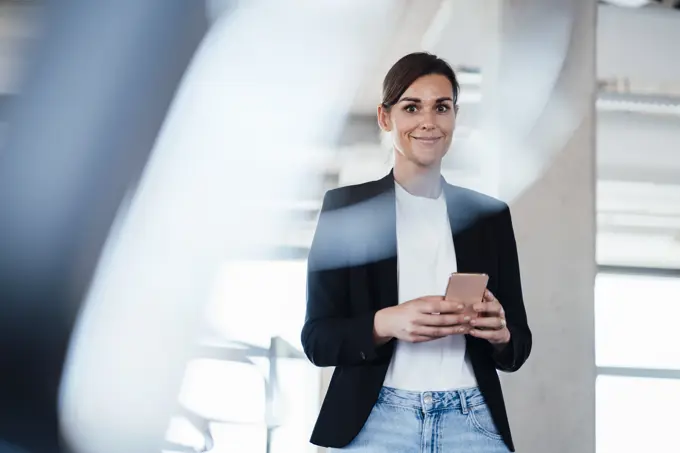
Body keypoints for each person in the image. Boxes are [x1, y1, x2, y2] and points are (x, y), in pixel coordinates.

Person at [301, 52, 531, 453]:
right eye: (412, 107)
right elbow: (317, 339)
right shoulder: (346, 211)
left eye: (441, 107)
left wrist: (501, 334)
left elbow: (518, 347)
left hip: (471, 419)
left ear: (454, 117)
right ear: (385, 118)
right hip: (376, 421)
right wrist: (386, 322)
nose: (429, 121)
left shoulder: (489, 217)